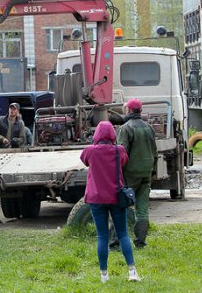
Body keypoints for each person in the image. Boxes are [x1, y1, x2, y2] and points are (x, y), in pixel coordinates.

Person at [80, 121, 141, 283]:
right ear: (113, 134)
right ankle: (132, 272)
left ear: (97, 135)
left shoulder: (90, 151)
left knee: (102, 236)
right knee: (122, 234)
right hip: (116, 197)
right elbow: (124, 161)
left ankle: (104, 275)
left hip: (96, 198)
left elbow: (84, 160)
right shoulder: (118, 150)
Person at [117, 98, 158, 248]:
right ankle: (140, 241)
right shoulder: (149, 127)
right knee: (142, 208)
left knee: (122, 206)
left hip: (130, 173)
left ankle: (115, 242)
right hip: (146, 172)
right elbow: (155, 151)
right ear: (140, 111)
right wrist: (152, 170)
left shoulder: (126, 128)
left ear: (128, 110)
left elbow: (122, 153)